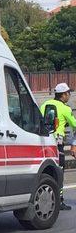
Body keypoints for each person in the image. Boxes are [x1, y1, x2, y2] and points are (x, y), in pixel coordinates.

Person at [40, 82, 76, 211]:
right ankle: (59, 200)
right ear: (64, 94)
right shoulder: (65, 108)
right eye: (68, 93)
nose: (69, 95)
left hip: (43, 142)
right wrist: (74, 144)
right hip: (57, 144)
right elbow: (75, 125)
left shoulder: (45, 105)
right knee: (59, 171)